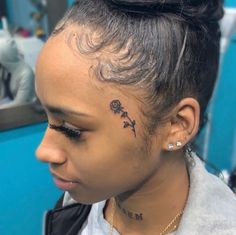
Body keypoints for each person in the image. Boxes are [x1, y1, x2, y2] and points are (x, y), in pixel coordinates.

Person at [35, 0, 236, 234]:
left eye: (72, 129)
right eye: (48, 117)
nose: (43, 151)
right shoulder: (73, 209)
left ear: (176, 125)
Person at [0, 37, 35, 108]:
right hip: (10, 109)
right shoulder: (6, 69)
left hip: (28, 113)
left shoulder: (26, 73)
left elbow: (20, 103)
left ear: (4, 56)